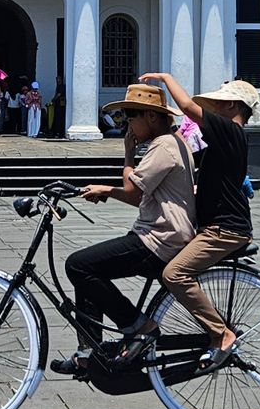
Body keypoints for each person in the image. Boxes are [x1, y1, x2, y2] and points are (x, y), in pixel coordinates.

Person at [51, 82, 196, 376]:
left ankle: (139, 326)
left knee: (79, 265)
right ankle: (88, 352)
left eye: (132, 116)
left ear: (152, 117)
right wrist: (109, 188)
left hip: (161, 238)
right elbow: (140, 196)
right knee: (89, 269)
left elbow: (132, 190)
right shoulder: (171, 142)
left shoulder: (164, 145)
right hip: (157, 232)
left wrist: (125, 159)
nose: (127, 123)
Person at [139, 74, 256, 369]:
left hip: (225, 229)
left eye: (217, 104)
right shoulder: (223, 143)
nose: (213, 109)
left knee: (174, 274)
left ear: (231, 106)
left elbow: (189, 107)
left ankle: (221, 334)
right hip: (216, 225)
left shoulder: (231, 131)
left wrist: (166, 78)